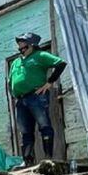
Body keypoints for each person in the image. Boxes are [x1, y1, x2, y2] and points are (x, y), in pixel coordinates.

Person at [9, 32, 66, 166]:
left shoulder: (40, 56)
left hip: (36, 96)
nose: (22, 51)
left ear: (32, 46)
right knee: (25, 131)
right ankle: (27, 161)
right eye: (20, 49)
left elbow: (61, 64)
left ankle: (48, 158)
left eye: (24, 48)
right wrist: (14, 91)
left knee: (44, 125)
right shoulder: (16, 62)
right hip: (20, 100)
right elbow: (11, 80)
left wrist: (50, 82)